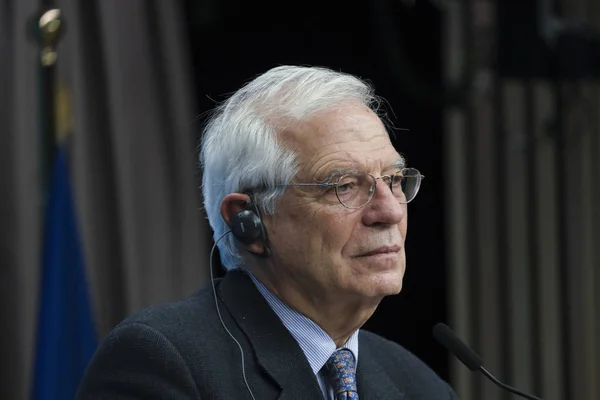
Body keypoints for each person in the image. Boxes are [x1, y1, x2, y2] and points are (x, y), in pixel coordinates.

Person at [76, 65, 458, 399]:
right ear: (249, 222)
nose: (390, 211)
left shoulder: (419, 385)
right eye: (343, 186)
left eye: (393, 179)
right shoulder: (164, 363)